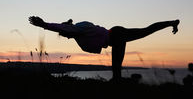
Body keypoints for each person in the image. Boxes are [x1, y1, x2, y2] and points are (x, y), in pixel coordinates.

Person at [28, 16, 180, 80]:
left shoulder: (79, 29)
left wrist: (44, 25)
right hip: (115, 35)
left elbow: (62, 28)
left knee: (116, 71)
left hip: (116, 36)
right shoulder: (79, 32)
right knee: (145, 31)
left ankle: (171, 23)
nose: (66, 37)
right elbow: (65, 29)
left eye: (65, 34)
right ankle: (172, 23)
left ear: (69, 30)